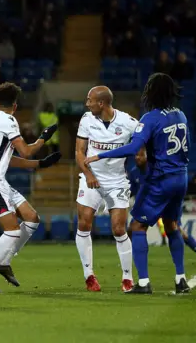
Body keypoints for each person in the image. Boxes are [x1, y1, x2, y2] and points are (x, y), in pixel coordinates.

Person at [85, 73, 190, 294]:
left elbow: (134, 149)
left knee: (137, 226)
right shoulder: (181, 115)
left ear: (152, 93)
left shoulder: (150, 118)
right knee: (171, 225)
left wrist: (100, 156)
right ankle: (181, 279)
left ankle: (143, 282)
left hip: (161, 180)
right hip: (181, 177)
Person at [0, 82, 61, 293]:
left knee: (31, 218)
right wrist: (43, 138)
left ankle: (5, 261)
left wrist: (41, 164)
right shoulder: (8, 120)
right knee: (12, 231)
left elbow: (11, 159)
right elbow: (26, 151)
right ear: (15, 106)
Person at [74, 86, 141, 292]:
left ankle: (127, 278)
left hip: (117, 181)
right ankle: (89, 276)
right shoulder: (86, 119)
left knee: (119, 229)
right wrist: (89, 175)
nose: (87, 104)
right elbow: (79, 151)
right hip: (91, 178)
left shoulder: (129, 123)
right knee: (84, 223)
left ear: (101, 103)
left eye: (90, 100)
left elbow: (142, 148)